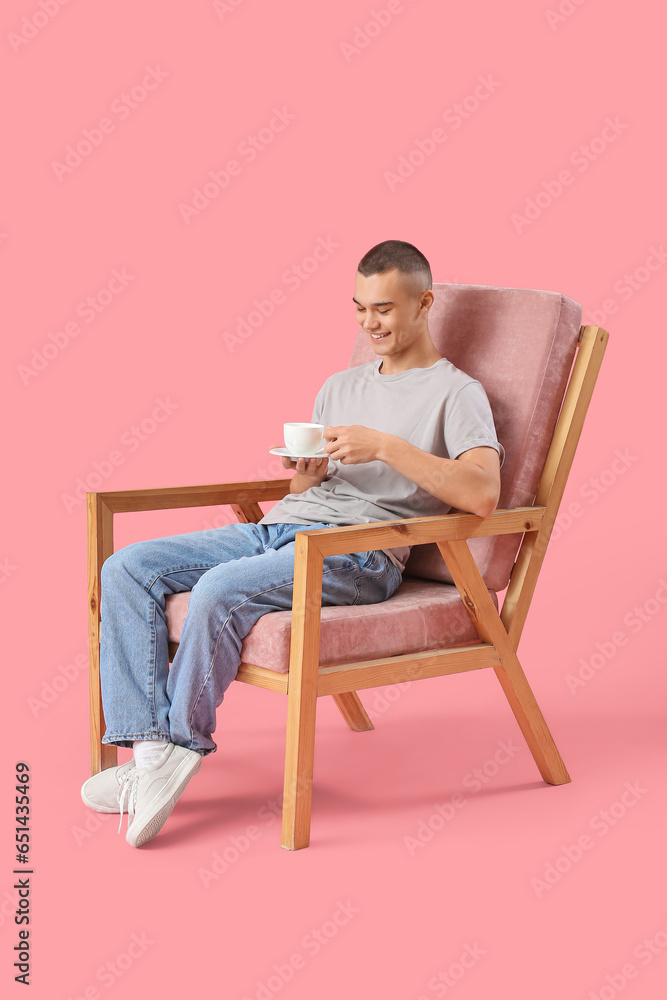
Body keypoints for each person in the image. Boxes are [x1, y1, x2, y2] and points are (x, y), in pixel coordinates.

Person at [80, 239, 505, 848]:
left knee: (219, 590)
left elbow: (483, 493)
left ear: (424, 303)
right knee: (127, 567)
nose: (369, 324)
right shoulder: (340, 385)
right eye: (359, 309)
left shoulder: (456, 393)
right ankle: (150, 755)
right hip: (285, 527)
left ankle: (179, 747)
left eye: (383, 309)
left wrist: (385, 446)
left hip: (361, 552)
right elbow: (315, 484)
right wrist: (305, 474)